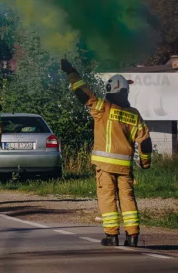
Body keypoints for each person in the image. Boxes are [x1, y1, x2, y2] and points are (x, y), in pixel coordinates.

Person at [61, 60, 152, 246]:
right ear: (126, 91)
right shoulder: (134, 115)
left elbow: (82, 92)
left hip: (104, 166)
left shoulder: (103, 107)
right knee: (127, 199)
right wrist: (145, 163)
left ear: (110, 90)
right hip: (125, 167)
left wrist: (71, 71)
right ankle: (133, 236)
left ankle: (111, 237)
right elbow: (145, 142)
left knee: (107, 198)